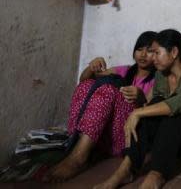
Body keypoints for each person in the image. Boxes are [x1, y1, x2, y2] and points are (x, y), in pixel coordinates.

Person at [94, 29, 181, 189]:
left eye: (156, 52)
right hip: (172, 139)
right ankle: (125, 169)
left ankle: (157, 173)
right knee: (156, 103)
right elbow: (152, 106)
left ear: (174, 52)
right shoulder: (161, 75)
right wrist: (140, 112)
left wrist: (136, 112)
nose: (152, 58)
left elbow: (179, 103)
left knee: (175, 110)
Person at [44, 31, 158, 182]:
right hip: (101, 135)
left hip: (126, 137)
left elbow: (153, 114)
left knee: (108, 90)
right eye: (139, 49)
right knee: (88, 85)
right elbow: (84, 81)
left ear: (157, 54)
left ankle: (78, 158)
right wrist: (92, 67)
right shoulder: (124, 71)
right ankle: (79, 144)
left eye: (149, 51)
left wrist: (141, 98)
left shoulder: (157, 80)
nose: (143, 54)